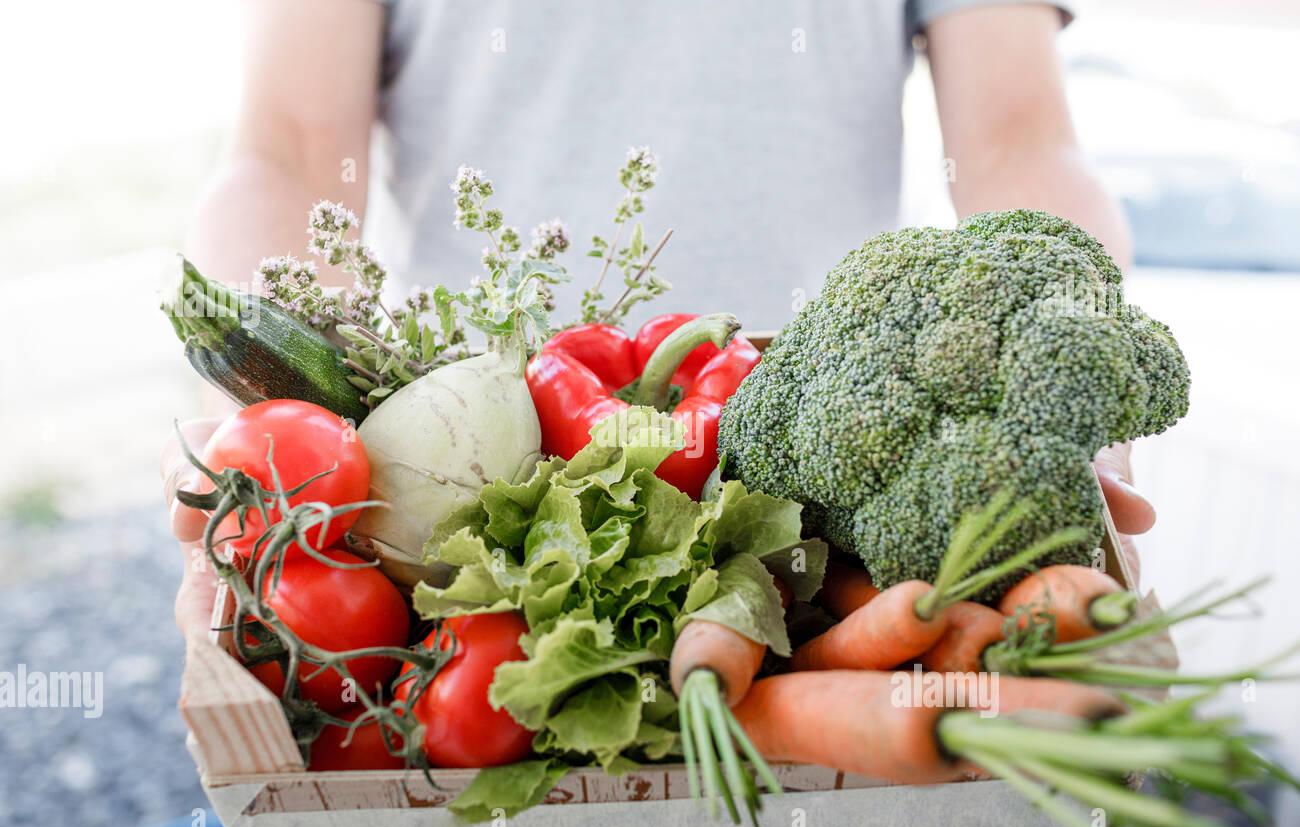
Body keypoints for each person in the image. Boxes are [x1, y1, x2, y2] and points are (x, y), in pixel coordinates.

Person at [161, 0, 1155, 643]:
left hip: (821, 488)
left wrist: (1057, 373)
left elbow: (1020, 138)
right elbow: (287, 151)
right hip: (452, 512)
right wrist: (270, 430)